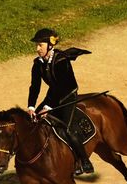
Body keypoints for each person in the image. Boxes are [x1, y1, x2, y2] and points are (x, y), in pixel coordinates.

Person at [27, 28, 94, 175]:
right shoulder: (37, 63)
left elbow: (60, 86)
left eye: (40, 45)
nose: (37, 49)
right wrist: (31, 107)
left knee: (67, 129)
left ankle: (84, 161)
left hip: (67, 95)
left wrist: (47, 107)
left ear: (50, 46)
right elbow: (35, 86)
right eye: (36, 45)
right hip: (53, 95)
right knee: (33, 123)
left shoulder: (61, 61)